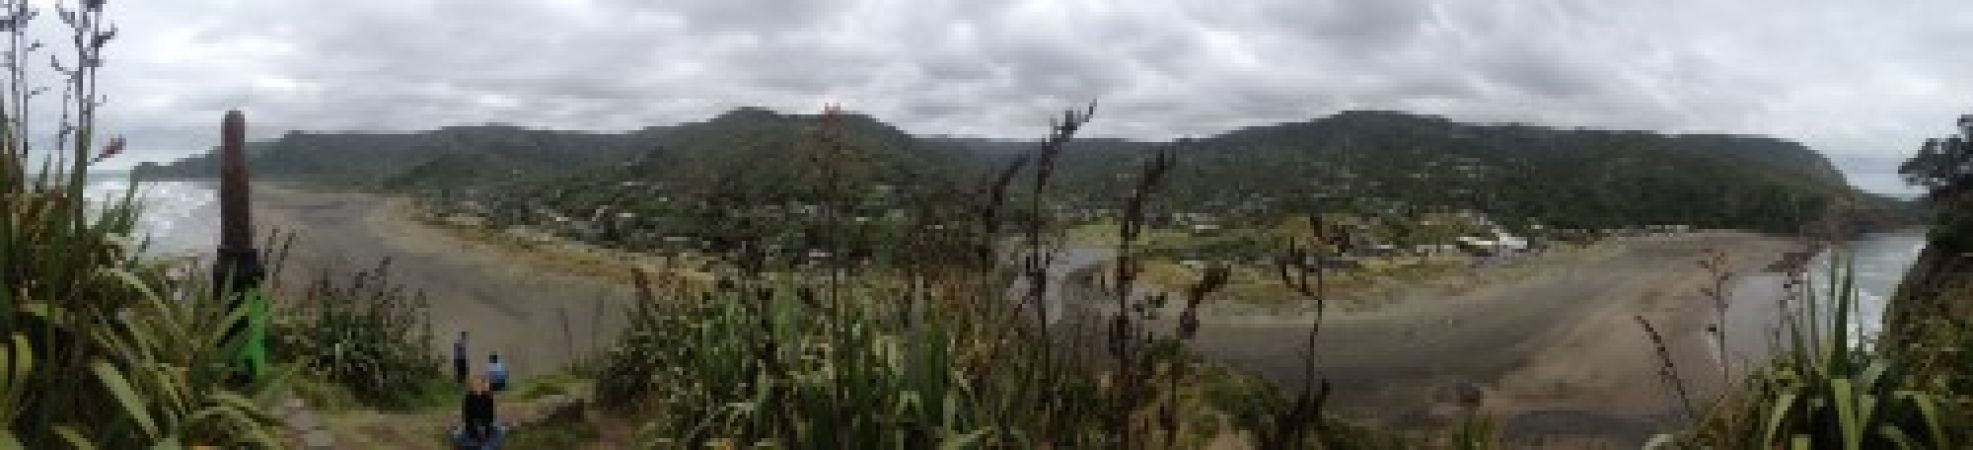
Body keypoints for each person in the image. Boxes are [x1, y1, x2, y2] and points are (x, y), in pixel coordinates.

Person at [455, 376, 503, 449]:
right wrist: (476, 427)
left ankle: (485, 445)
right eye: (476, 384)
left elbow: (491, 416)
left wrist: (484, 426)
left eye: (480, 384)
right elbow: (466, 417)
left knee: (501, 430)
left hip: (486, 426)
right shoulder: (468, 398)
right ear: (472, 386)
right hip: (471, 426)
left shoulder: (488, 398)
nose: (478, 386)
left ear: (483, 385)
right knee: (458, 434)